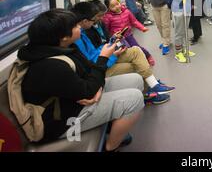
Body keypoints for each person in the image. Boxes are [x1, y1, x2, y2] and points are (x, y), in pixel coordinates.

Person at [19, 9, 143, 151]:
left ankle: (111, 125)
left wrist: (96, 89)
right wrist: (103, 59)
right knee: (134, 98)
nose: (79, 28)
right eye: (75, 26)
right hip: (61, 121)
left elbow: (90, 72)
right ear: (63, 36)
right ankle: (110, 147)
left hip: (74, 100)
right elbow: (89, 88)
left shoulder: (66, 47)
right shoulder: (50, 66)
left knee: (136, 80)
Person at [71, 2, 174, 104]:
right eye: (95, 19)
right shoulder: (79, 37)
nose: (97, 20)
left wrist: (112, 42)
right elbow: (93, 62)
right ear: (84, 21)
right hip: (100, 68)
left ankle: (153, 84)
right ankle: (148, 93)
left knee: (135, 51)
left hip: (104, 59)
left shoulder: (85, 32)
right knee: (136, 66)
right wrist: (112, 54)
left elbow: (95, 52)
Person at [103, 0, 155, 66]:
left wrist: (142, 28)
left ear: (119, 3)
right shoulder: (108, 17)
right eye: (113, 6)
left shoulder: (127, 12)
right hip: (118, 39)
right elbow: (107, 28)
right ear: (108, 8)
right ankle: (134, 63)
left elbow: (134, 21)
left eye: (117, 4)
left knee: (136, 47)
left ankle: (148, 56)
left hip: (128, 35)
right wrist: (112, 36)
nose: (116, 7)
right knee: (124, 51)